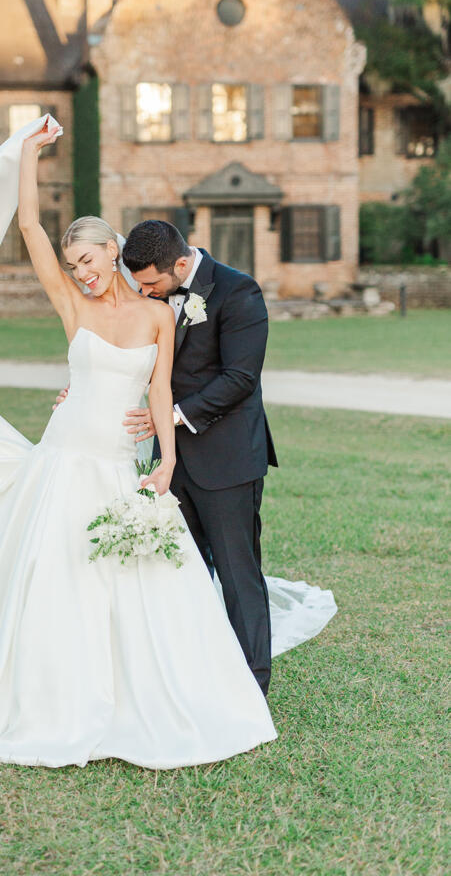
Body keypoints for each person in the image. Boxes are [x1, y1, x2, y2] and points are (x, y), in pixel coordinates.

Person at [0, 114, 334, 770]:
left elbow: (160, 393)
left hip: (117, 464)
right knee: (54, 577)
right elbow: (27, 226)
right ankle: (52, 693)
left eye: (86, 259)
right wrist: (22, 152)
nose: (80, 272)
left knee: (137, 581)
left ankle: (173, 688)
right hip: (60, 461)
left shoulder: (157, 315)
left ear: (113, 251)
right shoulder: (74, 309)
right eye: (72, 264)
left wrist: (165, 461)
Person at [120, 221, 278, 696]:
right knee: (178, 569)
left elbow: (240, 377)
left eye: (150, 283)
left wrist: (172, 415)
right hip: (169, 463)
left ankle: (252, 683)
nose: (143, 292)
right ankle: (188, 669)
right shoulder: (152, 295)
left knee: (237, 572)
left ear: (182, 264)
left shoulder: (238, 291)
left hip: (228, 459)